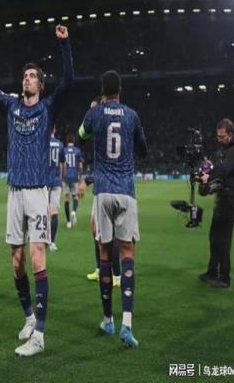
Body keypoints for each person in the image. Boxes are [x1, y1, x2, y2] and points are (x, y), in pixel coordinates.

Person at [0, 24, 73, 356]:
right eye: (25, 76)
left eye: (32, 76)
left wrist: (64, 45)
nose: (27, 79)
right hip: (15, 192)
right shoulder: (12, 106)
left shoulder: (48, 108)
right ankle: (30, 317)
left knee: (37, 256)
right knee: (16, 263)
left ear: (40, 85)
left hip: (37, 192)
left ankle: (40, 336)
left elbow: (68, 80)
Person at [79, 70, 147, 348]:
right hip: (126, 191)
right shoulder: (132, 115)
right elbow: (143, 149)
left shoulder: (95, 113)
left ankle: (108, 319)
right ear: (120, 90)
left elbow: (81, 135)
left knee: (105, 254)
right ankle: (127, 324)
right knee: (127, 253)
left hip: (103, 190)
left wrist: (91, 113)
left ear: (102, 90)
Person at [199, 119, 234, 289]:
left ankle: (225, 278)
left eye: (222, 136)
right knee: (214, 238)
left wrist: (208, 176)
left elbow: (222, 171)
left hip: (229, 200)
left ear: (231, 134)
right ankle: (212, 271)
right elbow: (218, 170)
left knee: (224, 240)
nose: (219, 139)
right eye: (218, 136)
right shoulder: (225, 150)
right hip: (221, 199)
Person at [48, 126, 65, 251]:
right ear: (54, 130)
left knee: (41, 212)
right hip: (55, 180)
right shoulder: (60, 144)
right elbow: (63, 164)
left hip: (43, 182)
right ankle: (52, 242)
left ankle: (41, 238)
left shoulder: (41, 142)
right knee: (54, 212)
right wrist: (62, 178)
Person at [63, 135, 83, 228]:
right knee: (75, 197)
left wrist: (62, 176)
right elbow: (80, 166)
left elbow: (62, 164)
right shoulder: (77, 151)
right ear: (73, 141)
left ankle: (68, 222)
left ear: (67, 141)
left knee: (67, 199)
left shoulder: (64, 150)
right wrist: (80, 176)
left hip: (66, 177)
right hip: (75, 176)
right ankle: (74, 212)